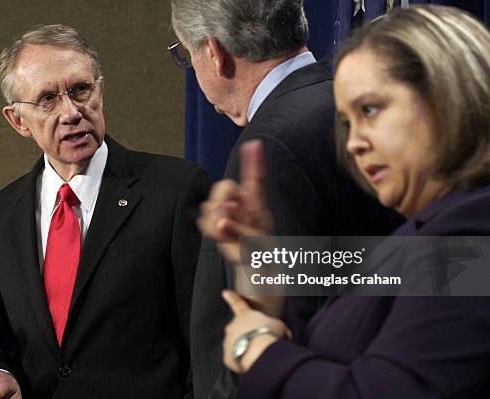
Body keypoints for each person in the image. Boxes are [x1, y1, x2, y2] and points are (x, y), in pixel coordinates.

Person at [199, 5, 490, 398]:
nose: (353, 142)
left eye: (370, 110)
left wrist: (256, 349)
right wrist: (266, 278)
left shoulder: (473, 230)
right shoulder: (424, 234)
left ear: (446, 97)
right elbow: (335, 349)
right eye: (348, 122)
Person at [0, 24, 212, 399]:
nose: (71, 112)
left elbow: (209, 343)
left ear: (100, 91)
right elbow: (12, 347)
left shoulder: (176, 190)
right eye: (47, 100)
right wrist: (3, 375)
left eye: (80, 90)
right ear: (17, 120)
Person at [170, 0, 401, 397]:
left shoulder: (270, 146)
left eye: (187, 55)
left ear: (214, 52)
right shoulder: (345, 108)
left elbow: (280, 328)